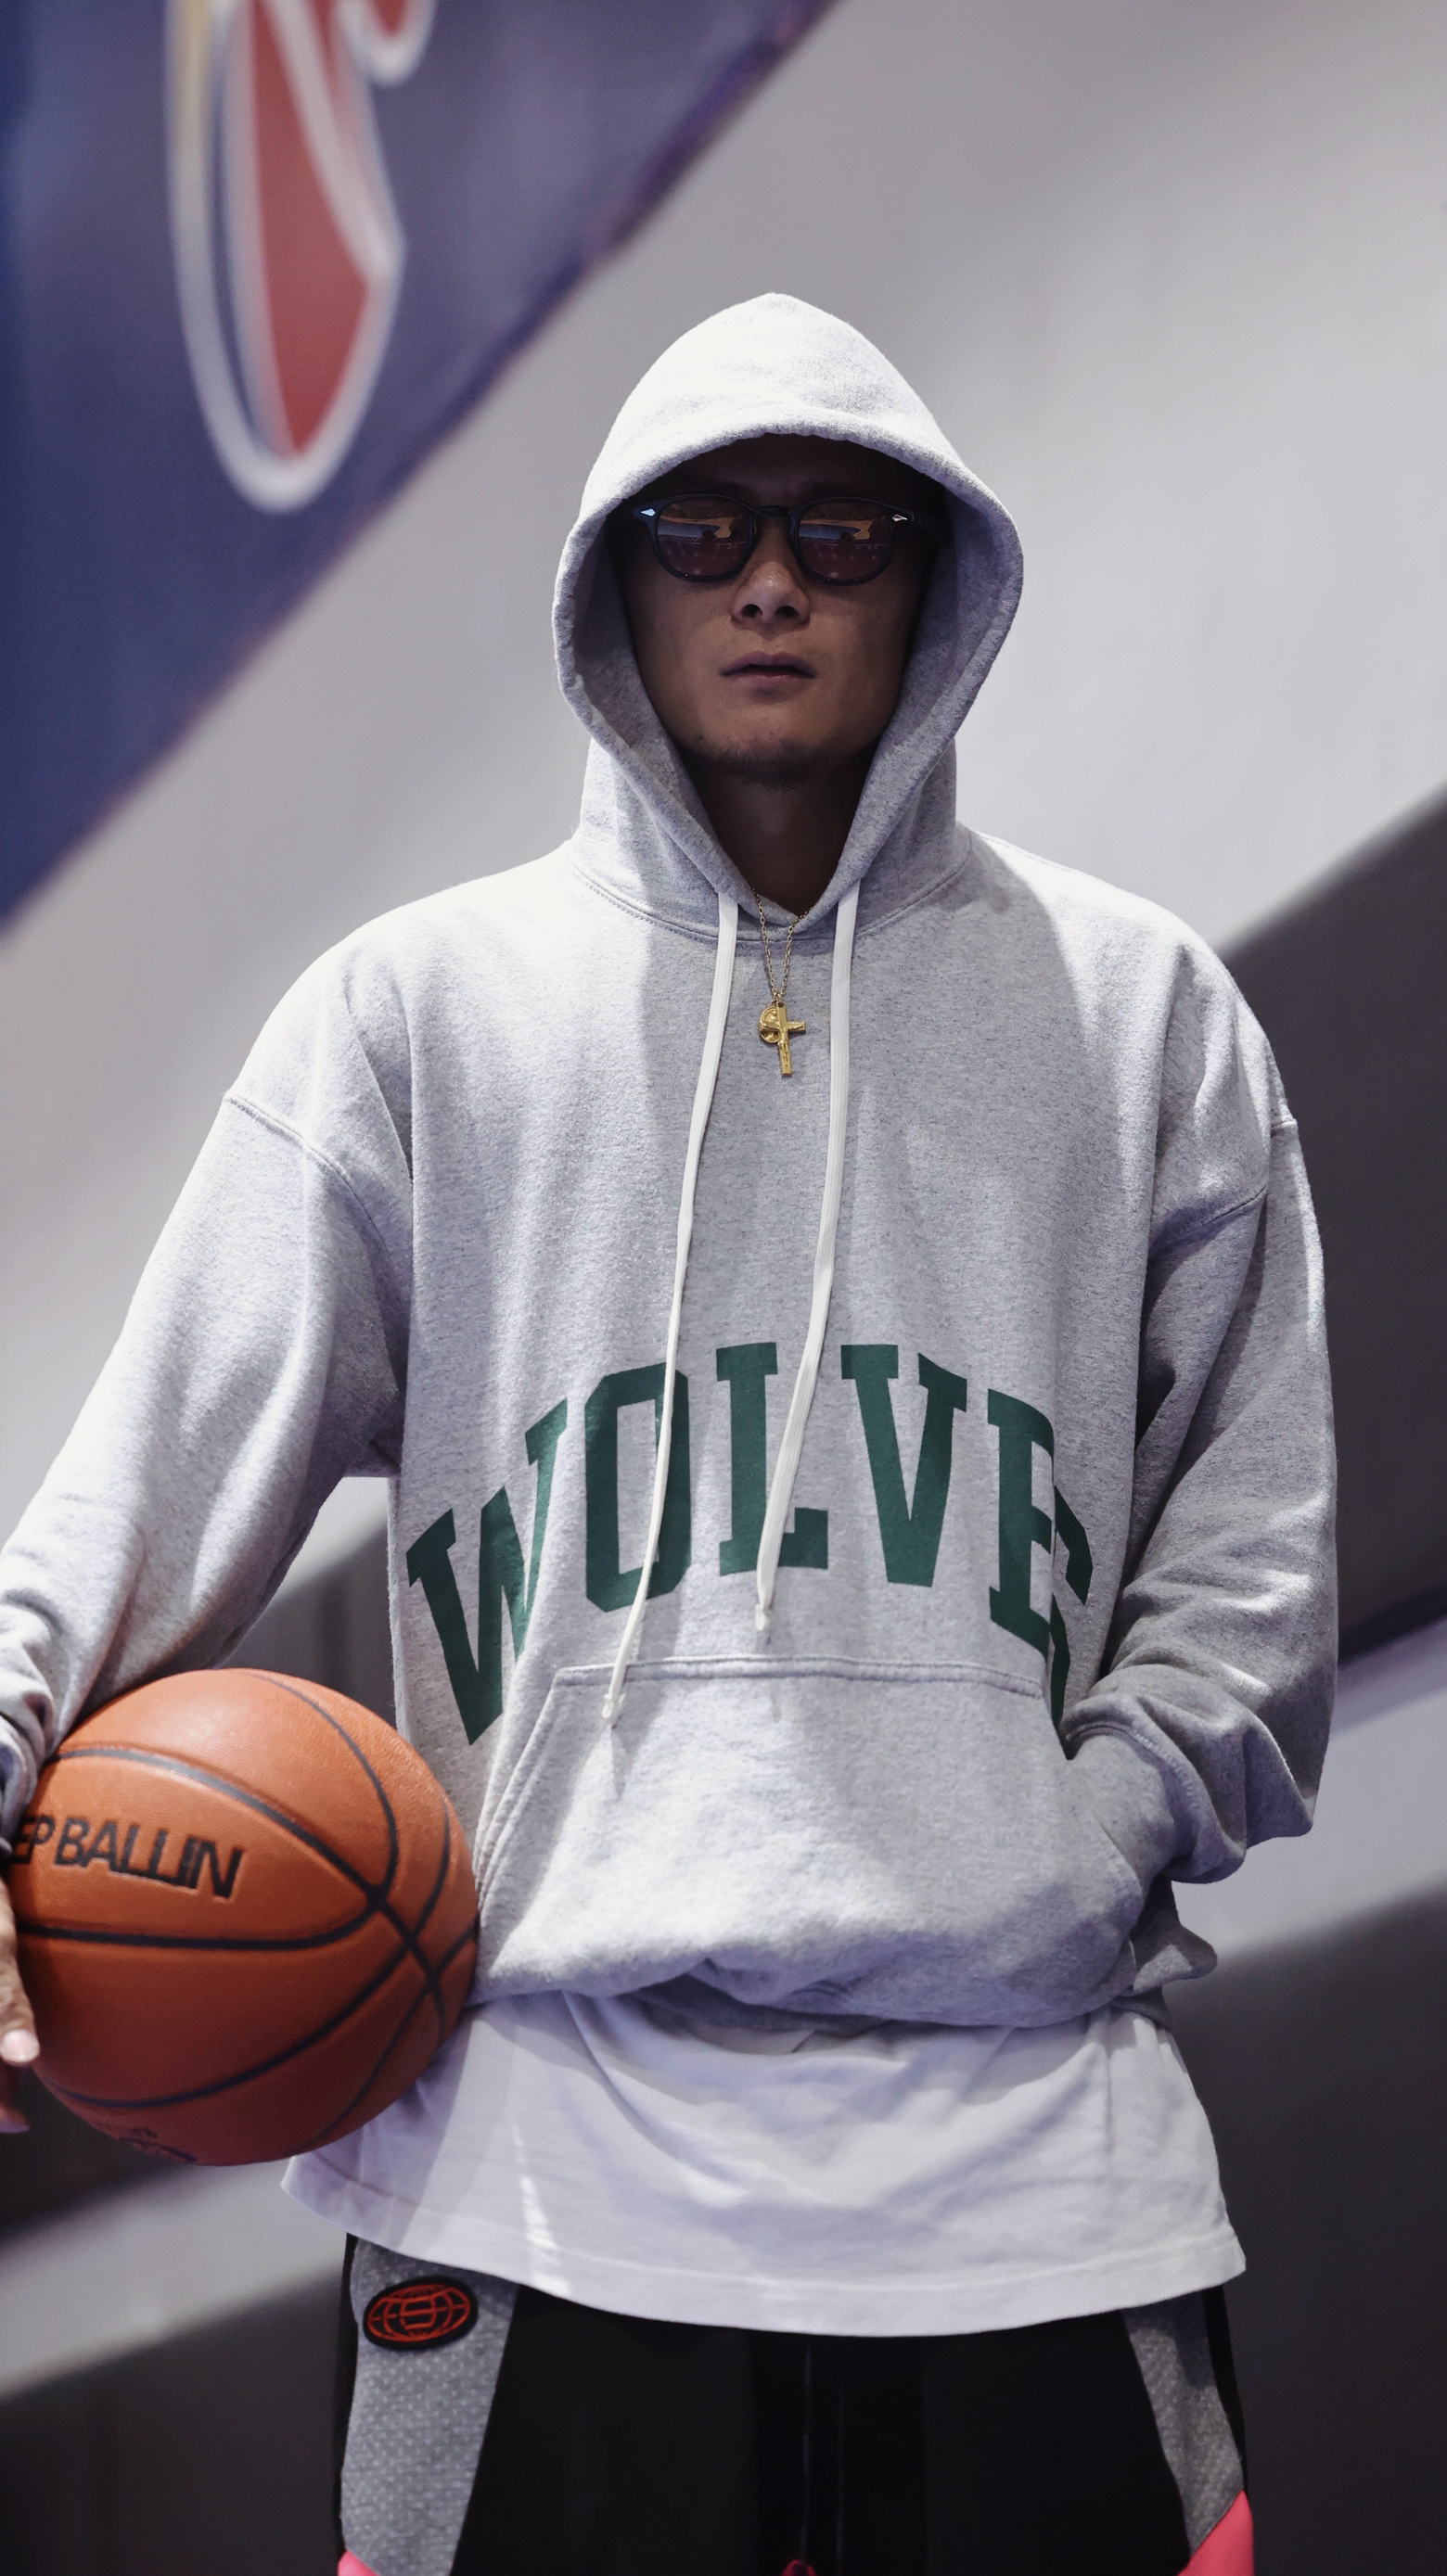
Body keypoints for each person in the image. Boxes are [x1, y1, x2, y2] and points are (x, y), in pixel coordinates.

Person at [0, 296, 1334, 2575]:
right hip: (538, 2182)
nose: (772, 583)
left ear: (937, 573)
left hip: (1035, 2180)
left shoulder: (1140, 1017)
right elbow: (135, 1494)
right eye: (703, 531)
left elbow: (1256, 1553)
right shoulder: (414, 1020)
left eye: (841, 530)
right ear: (613, 580)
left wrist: (1092, 1831)